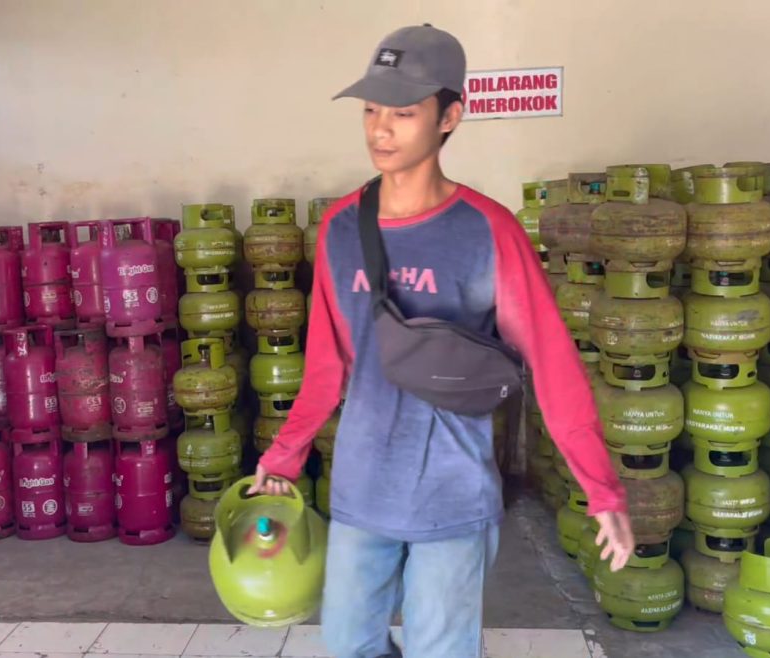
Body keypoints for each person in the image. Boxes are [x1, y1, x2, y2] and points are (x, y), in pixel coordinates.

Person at [247, 23, 634, 658]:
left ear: (451, 115)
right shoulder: (342, 229)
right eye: (371, 109)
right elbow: (327, 365)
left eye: (402, 112)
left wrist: (602, 489)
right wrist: (285, 454)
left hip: (451, 496)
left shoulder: (488, 231)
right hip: (361, 491)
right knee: (347, 647)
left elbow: (554, 366)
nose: (380, 129)